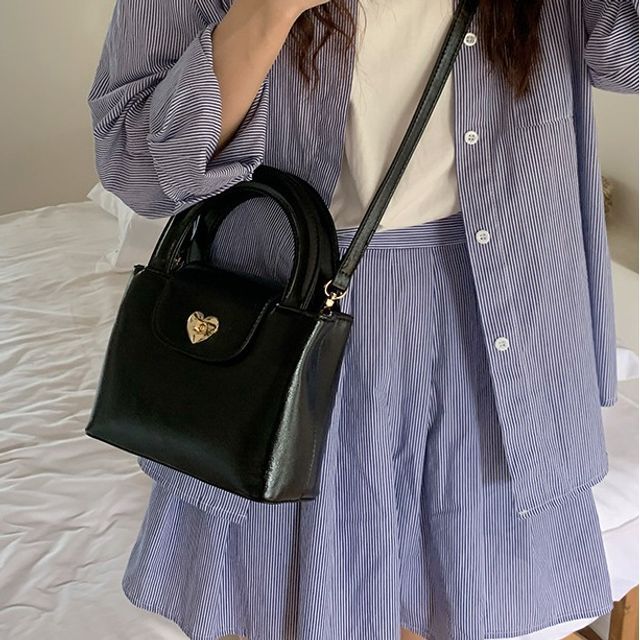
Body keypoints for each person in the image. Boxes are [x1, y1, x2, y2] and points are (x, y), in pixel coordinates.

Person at [87, 0, 639, 638]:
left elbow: (624, 55)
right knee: (304, 600)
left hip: (502, 310)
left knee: (473, 592)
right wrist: (267, 12)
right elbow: (136, 167)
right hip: (296, 312)